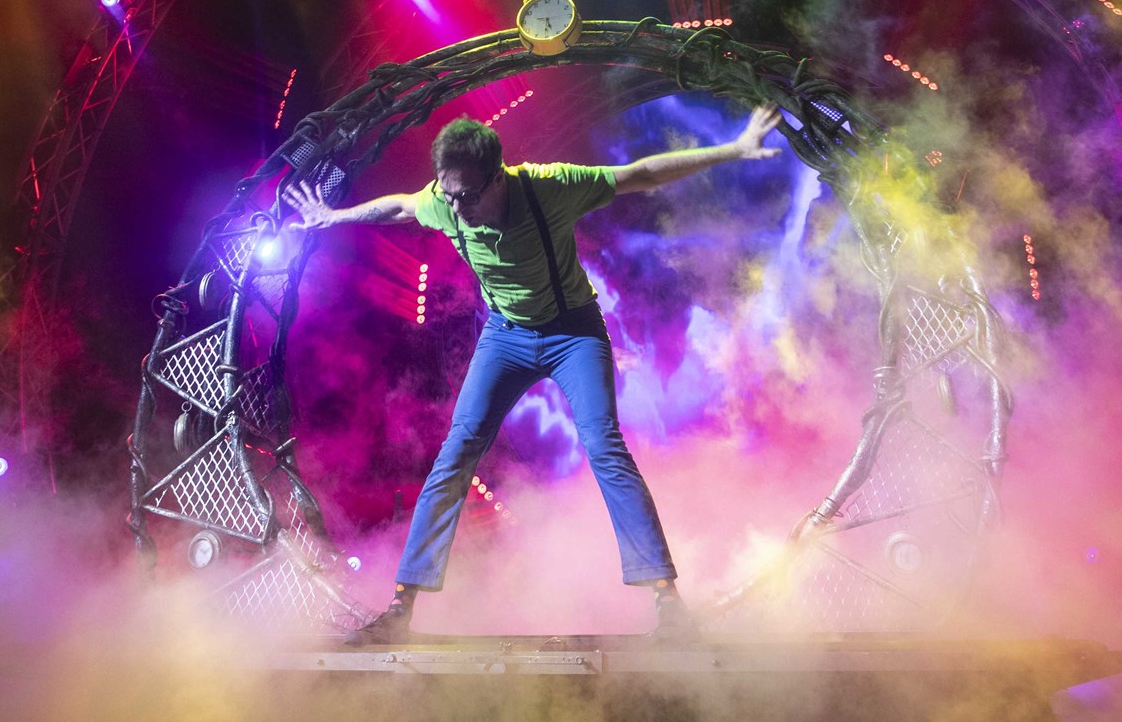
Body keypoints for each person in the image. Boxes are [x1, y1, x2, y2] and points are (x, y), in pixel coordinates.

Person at [285, 103, 783, 643]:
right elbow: (401, 206)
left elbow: (640, 174)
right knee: (456, 452)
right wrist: (334, 217)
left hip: (574, 332)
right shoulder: (444, 202)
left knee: (604, 446)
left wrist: (734, 149)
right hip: (506, 336)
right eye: (448, 194)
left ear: (498, 177)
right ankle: (400, 610)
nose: (457, 208)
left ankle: (668, 602)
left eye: (467, 196)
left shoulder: (551, 187)